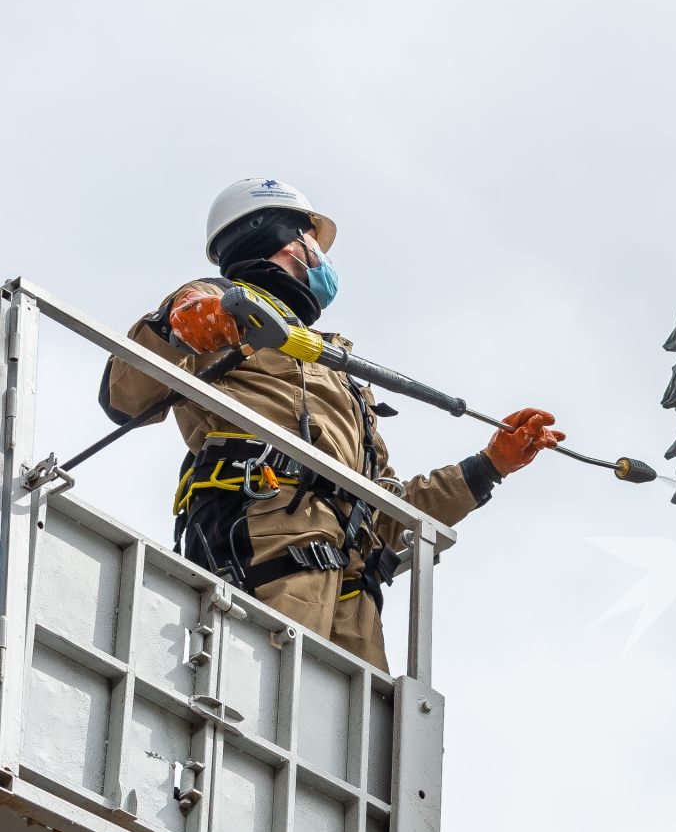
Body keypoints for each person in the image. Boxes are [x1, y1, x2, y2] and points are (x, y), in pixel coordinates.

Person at [103, 178, 561, 670]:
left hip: (351, 588)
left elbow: (386, 511)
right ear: (274, 237)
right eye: (311, 241)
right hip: (265, 538)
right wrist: (173, 328)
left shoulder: (337, 371)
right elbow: (126, 399)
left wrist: (489, 466)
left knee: (353, 736)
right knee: (258, 699)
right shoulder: (218, 309)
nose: (320, 256)